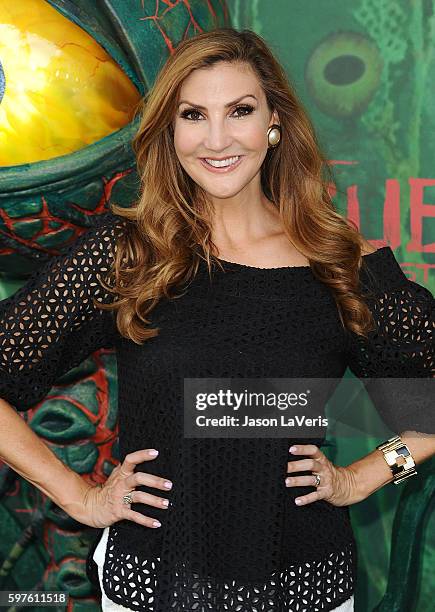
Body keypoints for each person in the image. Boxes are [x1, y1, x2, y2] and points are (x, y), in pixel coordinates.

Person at [0, 27, 434, 612]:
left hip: (305, 589)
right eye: (193, 115)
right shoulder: (130, 256)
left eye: (240, 111)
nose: (217, 138)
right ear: (170, 131)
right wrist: (79, 498)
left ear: (273, 123)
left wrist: (360, 478)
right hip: (153, 586)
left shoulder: (340, 268)